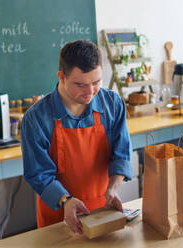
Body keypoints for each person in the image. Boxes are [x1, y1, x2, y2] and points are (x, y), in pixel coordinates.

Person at [21, 40, 132, 234]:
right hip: (58, 217)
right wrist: (66, 201)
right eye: (80, 84)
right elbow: (38, 174)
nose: (90, 92)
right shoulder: (36, 118)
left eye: (96, 82)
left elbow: (121, 153)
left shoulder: (112, 104)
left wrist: (113, 189)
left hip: (103, 212)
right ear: (61, 77)